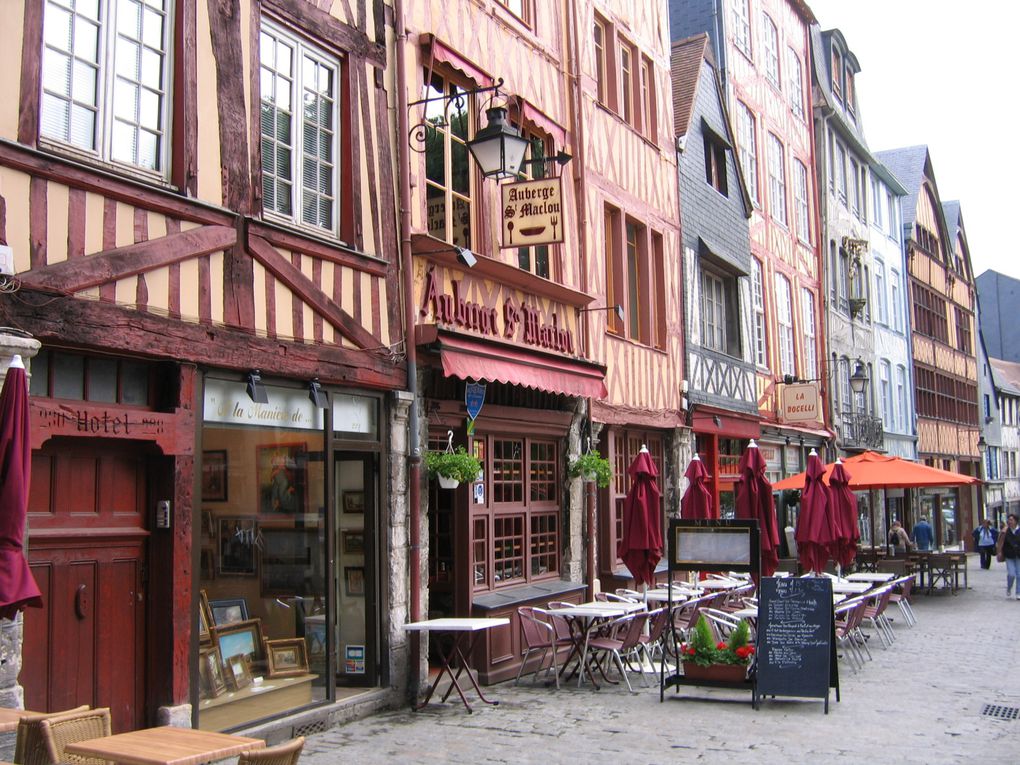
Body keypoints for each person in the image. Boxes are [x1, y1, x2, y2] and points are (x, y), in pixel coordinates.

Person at [998, 514, 1020, 600]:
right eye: (1009, 520)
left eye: (1011, 520)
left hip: (1018, 555)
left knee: (1019, 574)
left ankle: (1018, 592)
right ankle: (1009, 587)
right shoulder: (1005, 531)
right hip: (1009, 555)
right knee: (1011, 574)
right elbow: (1000, 542)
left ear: (1016, 521)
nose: (1010, 521)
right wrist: (999, 552)